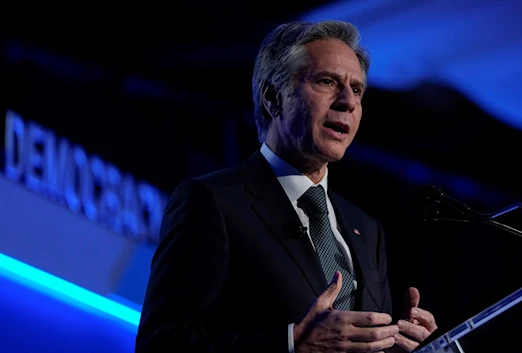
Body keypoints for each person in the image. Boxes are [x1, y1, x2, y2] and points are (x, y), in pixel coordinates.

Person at [135, 20, 437, 353]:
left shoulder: (366, 229)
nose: (348, 101)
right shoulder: (212, 202)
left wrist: (409, 346)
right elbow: (160, 344)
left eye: (357, 89)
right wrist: (292, 344)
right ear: (272, 97)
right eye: (327, 81)